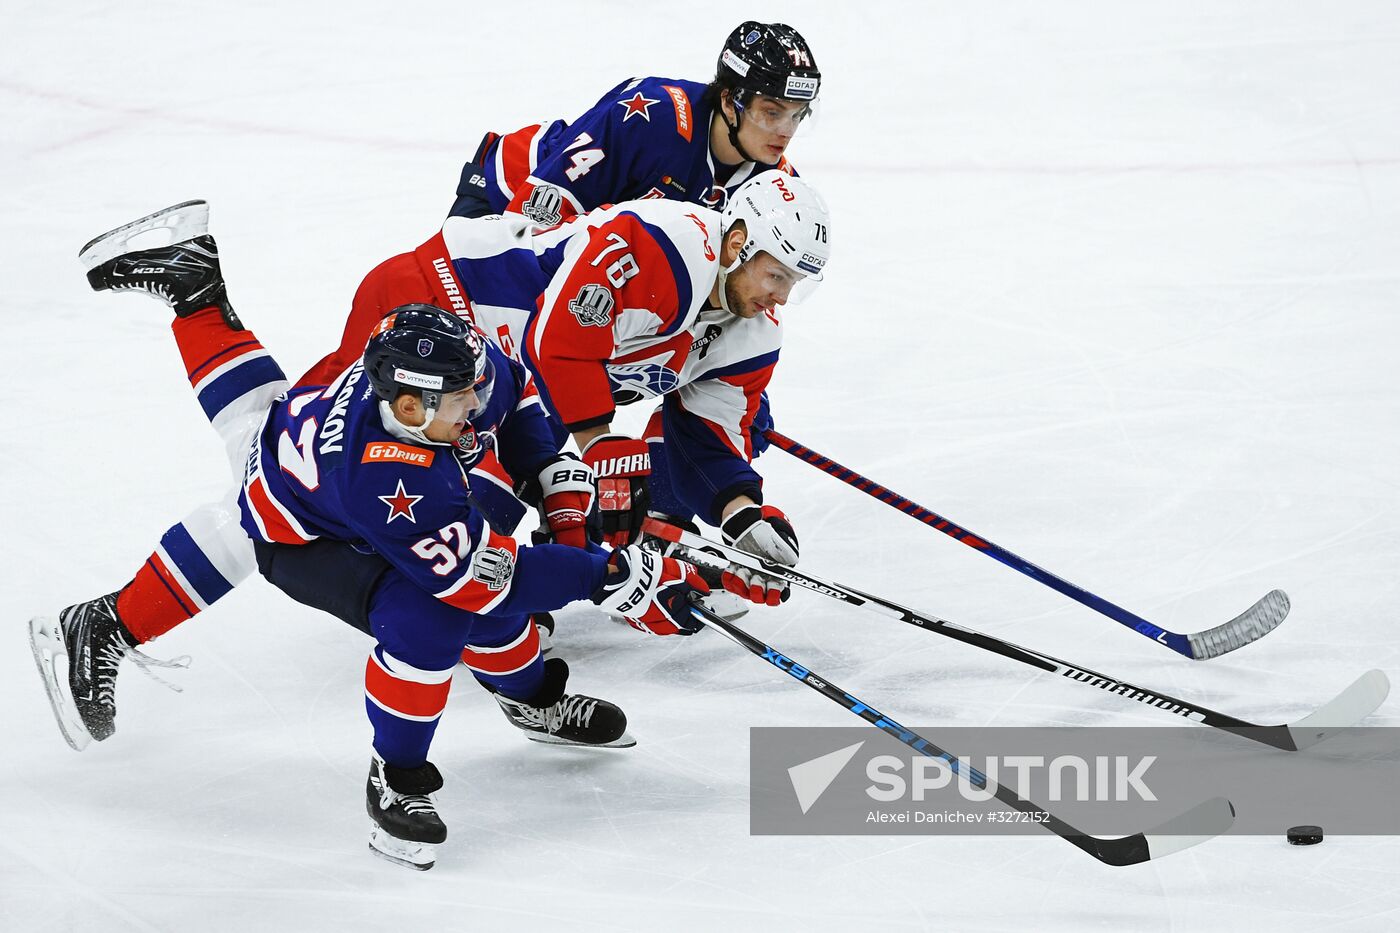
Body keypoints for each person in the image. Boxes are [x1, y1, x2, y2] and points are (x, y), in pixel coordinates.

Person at [29, 202, 710, 870]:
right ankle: (398, 775)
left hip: (294, 439)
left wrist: (556, 477)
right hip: (297, 537)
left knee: (260, 424)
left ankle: (194, 285)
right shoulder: (389, 481)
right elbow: (488, 580)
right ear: (409, 407)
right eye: (461, 401)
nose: (477, 405)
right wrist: (607, 577)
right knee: (436, 614)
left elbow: (519, 388)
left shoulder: (444, 373)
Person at [446, 21, 821, 225]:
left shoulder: (772, 186)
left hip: (586, 243)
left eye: (797, 114)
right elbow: (531, 222)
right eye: (772, 112)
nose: (786, 131)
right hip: (509, 195)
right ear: (728, 100)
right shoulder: (651, 119)